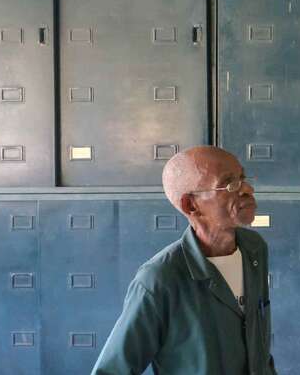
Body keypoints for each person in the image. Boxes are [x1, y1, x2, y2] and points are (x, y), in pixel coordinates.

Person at [92, 146, 277, 374]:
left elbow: (258, 346)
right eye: (230, 184)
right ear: (191, 205)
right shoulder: (159, 279)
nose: (247, 189)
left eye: (243, 178)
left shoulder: (254, 249)